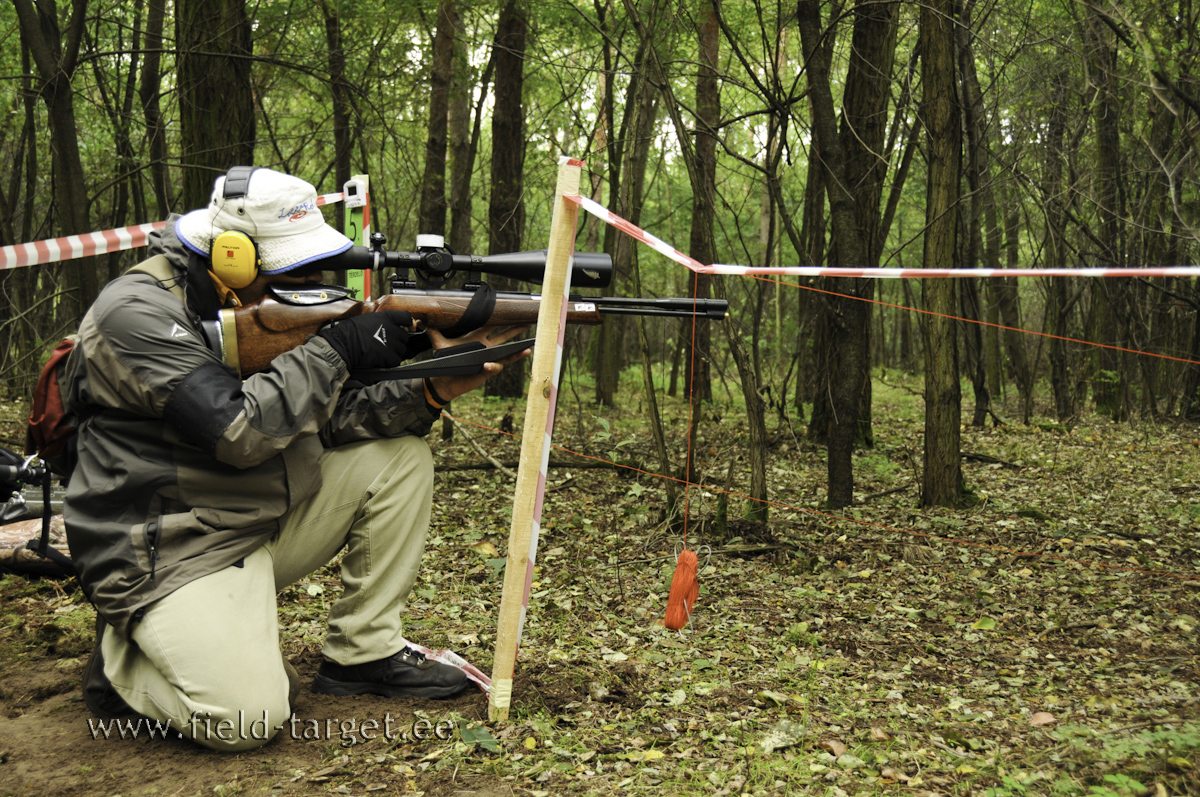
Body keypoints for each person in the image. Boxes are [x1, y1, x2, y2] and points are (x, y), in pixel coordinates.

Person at [63, 167, 528, 751]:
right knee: (244, 721)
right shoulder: (135, 313)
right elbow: (241, 431)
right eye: (294, 267)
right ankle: (122, 664)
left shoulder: (259, 304)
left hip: (251, 517)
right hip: (167, 546)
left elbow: (321, 421)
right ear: (231, 255)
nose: (307, 281)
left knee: (399, 459)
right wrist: (339, 348)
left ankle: (362, 653)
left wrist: (431, 390)